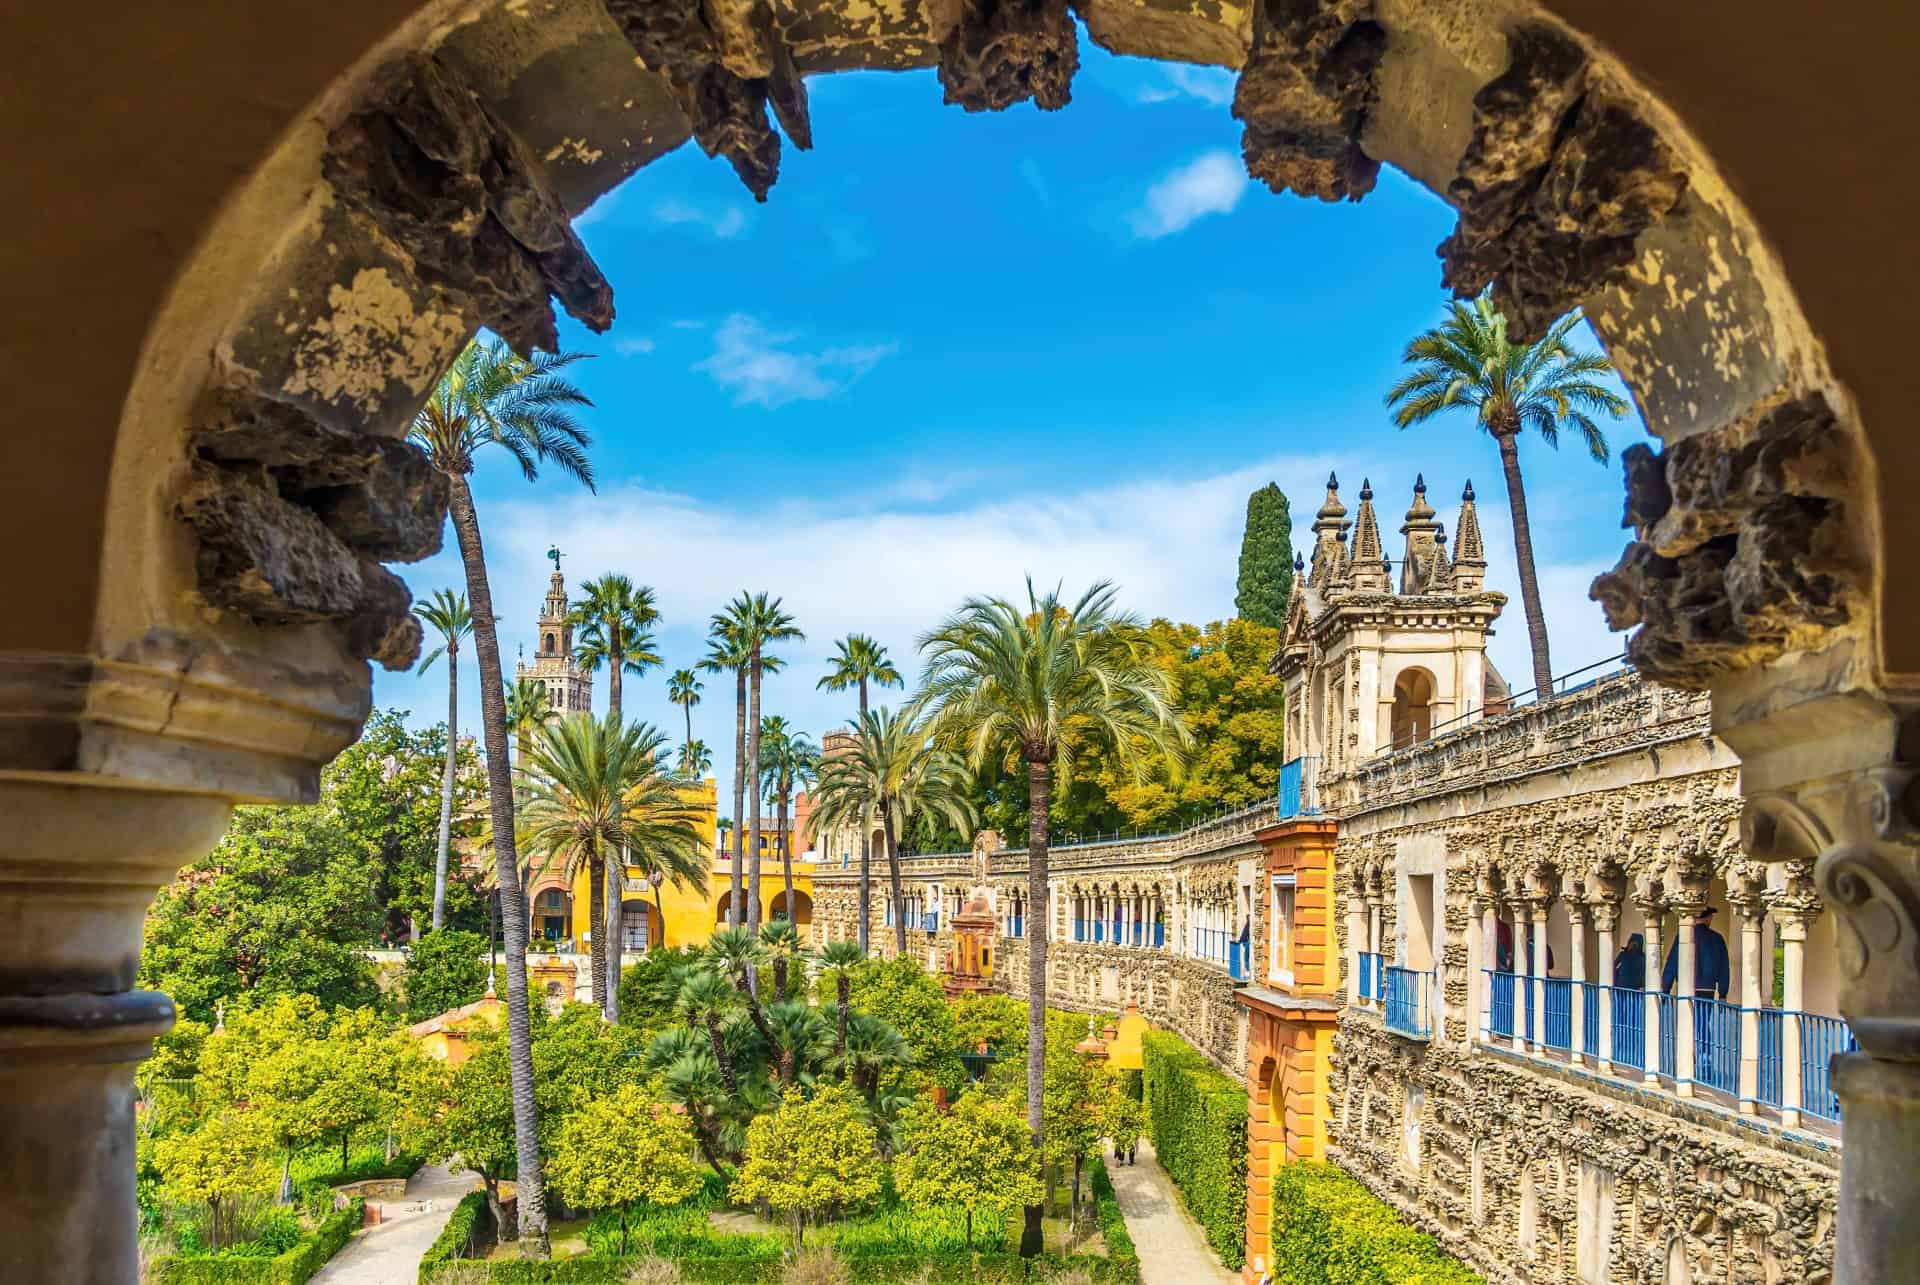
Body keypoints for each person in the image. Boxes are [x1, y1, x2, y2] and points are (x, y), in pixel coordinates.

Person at [1663, 907, 1733, 1089]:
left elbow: (1672, 963)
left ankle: (1687, 1066)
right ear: (1708, 918)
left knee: (1688, 1026)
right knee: (1703, 1028)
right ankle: (1705, 1066)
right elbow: (1724, 967)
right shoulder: (1717, 939)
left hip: (1688, 989)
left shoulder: (1684, 937)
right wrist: (1723, 992)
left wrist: (1665, 988)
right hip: (1707, 990)